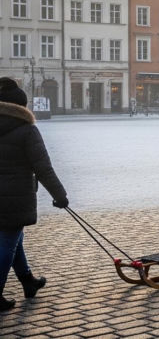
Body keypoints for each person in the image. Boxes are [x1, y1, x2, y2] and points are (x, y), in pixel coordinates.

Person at [0, 78, 69, 312]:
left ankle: (28, 281)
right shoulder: (27, 130)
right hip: (15, 197)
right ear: (21, 107)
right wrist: (60, 196)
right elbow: (43, 167)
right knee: (8, 241)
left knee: (14, 238)